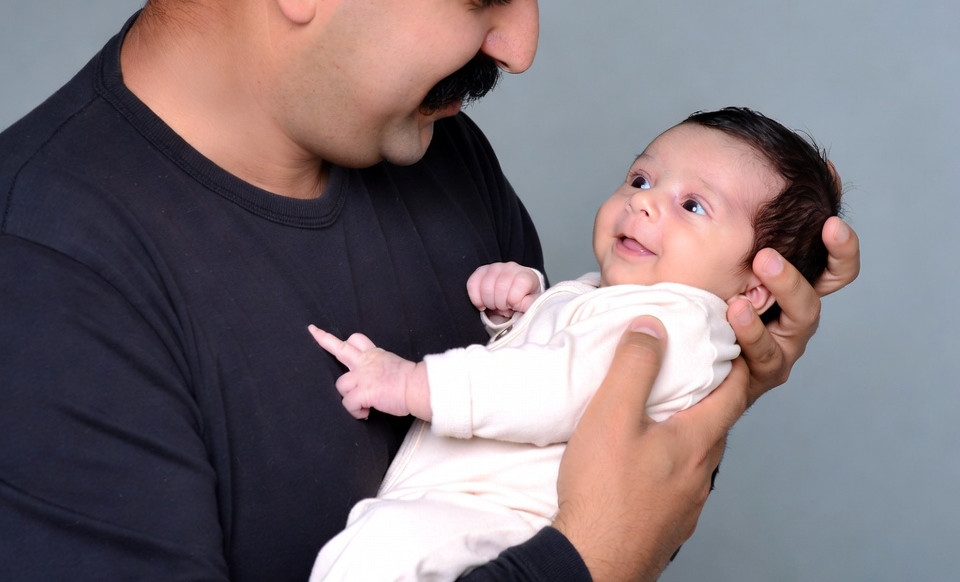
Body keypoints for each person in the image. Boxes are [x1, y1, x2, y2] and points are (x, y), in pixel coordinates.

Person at [0, 0, 859, 582]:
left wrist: (717, 366)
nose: (521, 45)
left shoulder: (447, 162)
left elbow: (581, 478)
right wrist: (588, 565)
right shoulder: (45, 274)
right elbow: (599, 537)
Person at [308, 107, 843, 581]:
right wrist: (519, 309)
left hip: (507, 520)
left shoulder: (682, 326)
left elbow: (554, 387)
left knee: (379, 549)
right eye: (640, 179)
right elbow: (566, 351)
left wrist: (412, 384)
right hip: (475, 510)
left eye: (693, 205)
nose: (644, 202)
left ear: (755, 288)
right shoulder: (620, 298)